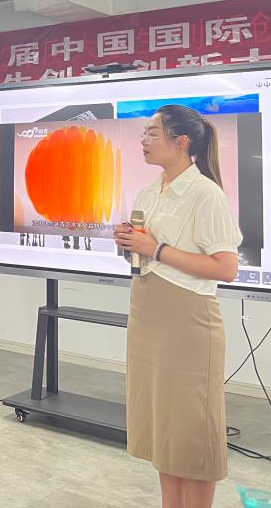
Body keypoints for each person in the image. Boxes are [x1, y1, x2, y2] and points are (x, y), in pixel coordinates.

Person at [115, 105, 241, 508]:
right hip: (147, 313)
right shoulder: (150, 190)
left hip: (188, 322)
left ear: (181, 142)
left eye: (153, 133)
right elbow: (148, 252)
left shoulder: (206, 194)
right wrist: (131, 244)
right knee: (164, 430)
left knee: (191, 433)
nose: (144, 140)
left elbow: (226, 268)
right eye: (144, 133)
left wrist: (156, 248)